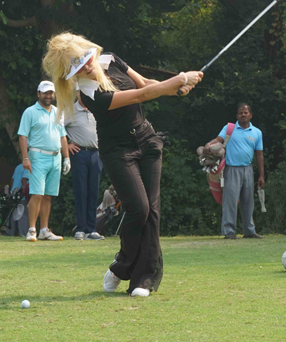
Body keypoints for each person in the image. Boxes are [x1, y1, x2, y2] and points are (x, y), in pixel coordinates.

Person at [42, 32, 202, 297]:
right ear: (70, 75)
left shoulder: (111, 60)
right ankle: (121, 265)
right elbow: (140, 96)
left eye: (85, 58)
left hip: (147, 141)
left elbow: (145, 83)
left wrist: (175, 88)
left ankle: (144, 280)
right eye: (78, 66)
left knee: (151, 211)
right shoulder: (88, 95)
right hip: (117, 150)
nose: (87, 65)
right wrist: (180, 79)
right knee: (138, 209)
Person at [18, 80, 70, 242]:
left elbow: (63, 136)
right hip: (37, 157)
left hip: (56, 157)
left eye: (51, 93)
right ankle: (32, 229)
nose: (49, 96)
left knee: (48, 195)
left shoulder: (58, 111)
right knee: (37, 194)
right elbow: (23, 135)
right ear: (38, 94)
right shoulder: (30, 112)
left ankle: (44, 230)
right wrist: (25, 157)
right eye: (45, 93)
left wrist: (67, 157)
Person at [203, 103, 265, 239]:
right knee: (230, 200)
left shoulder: (256, 132)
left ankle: (249, 231)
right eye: (240, 113)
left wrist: (261, 175)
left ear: (250, 115)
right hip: (231, 168)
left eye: (246, 112)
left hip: (248, 169)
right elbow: (218, 140)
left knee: (248, 201)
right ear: (237, 115)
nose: (243, 115)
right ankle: (228, 231)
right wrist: (208, 144)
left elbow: (259, 154)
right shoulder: (229, 128)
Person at [63, 88, 104, 241]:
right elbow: (57, 127)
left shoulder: (96, 109)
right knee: (81, 191)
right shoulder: (70, 110)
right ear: (78, 94)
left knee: (94, 191)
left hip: (96, 153)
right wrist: (66, 144)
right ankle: (81, 229)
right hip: (79, 153)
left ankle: (91, 229)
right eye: (83, 93)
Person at [5, 163, 30, 237]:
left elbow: (12, 180)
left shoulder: (18, 166)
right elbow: (24, 179)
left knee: (13, 215)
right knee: (23, 215)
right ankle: (23, 233)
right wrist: (26, 193)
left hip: (14, 194)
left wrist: (12, 190)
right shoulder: (28, 166)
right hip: (22, 195)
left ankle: (9, 233)